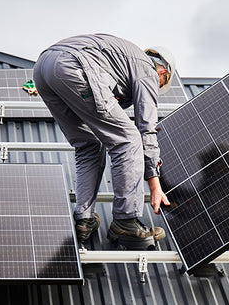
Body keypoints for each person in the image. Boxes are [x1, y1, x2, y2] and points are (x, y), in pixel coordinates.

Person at [33, 34, 172, 246]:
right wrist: (154, 183)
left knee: (89, 144)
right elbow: (147, 127)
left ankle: (84, 219)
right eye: (160, 84)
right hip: (73, 65)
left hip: (43, 68)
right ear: (163, 71)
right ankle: (126, 221)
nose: (156, 88)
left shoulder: (123, 58)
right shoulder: (147, 69)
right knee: (128, 139)